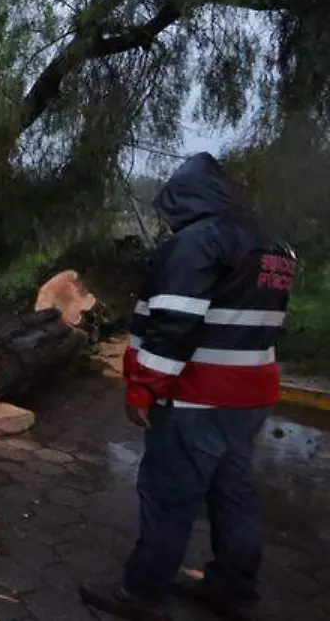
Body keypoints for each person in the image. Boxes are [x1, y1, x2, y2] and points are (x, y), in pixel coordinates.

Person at [79, 152, 297, 621]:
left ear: (187, 199)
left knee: (168, 497)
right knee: (232, 494)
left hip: (197, 397)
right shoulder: (274, 247)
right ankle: (234, 591)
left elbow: (173, 325)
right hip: (250, 397)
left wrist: (142, 388)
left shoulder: (201, 243)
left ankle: (142, 595)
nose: (169, 221)